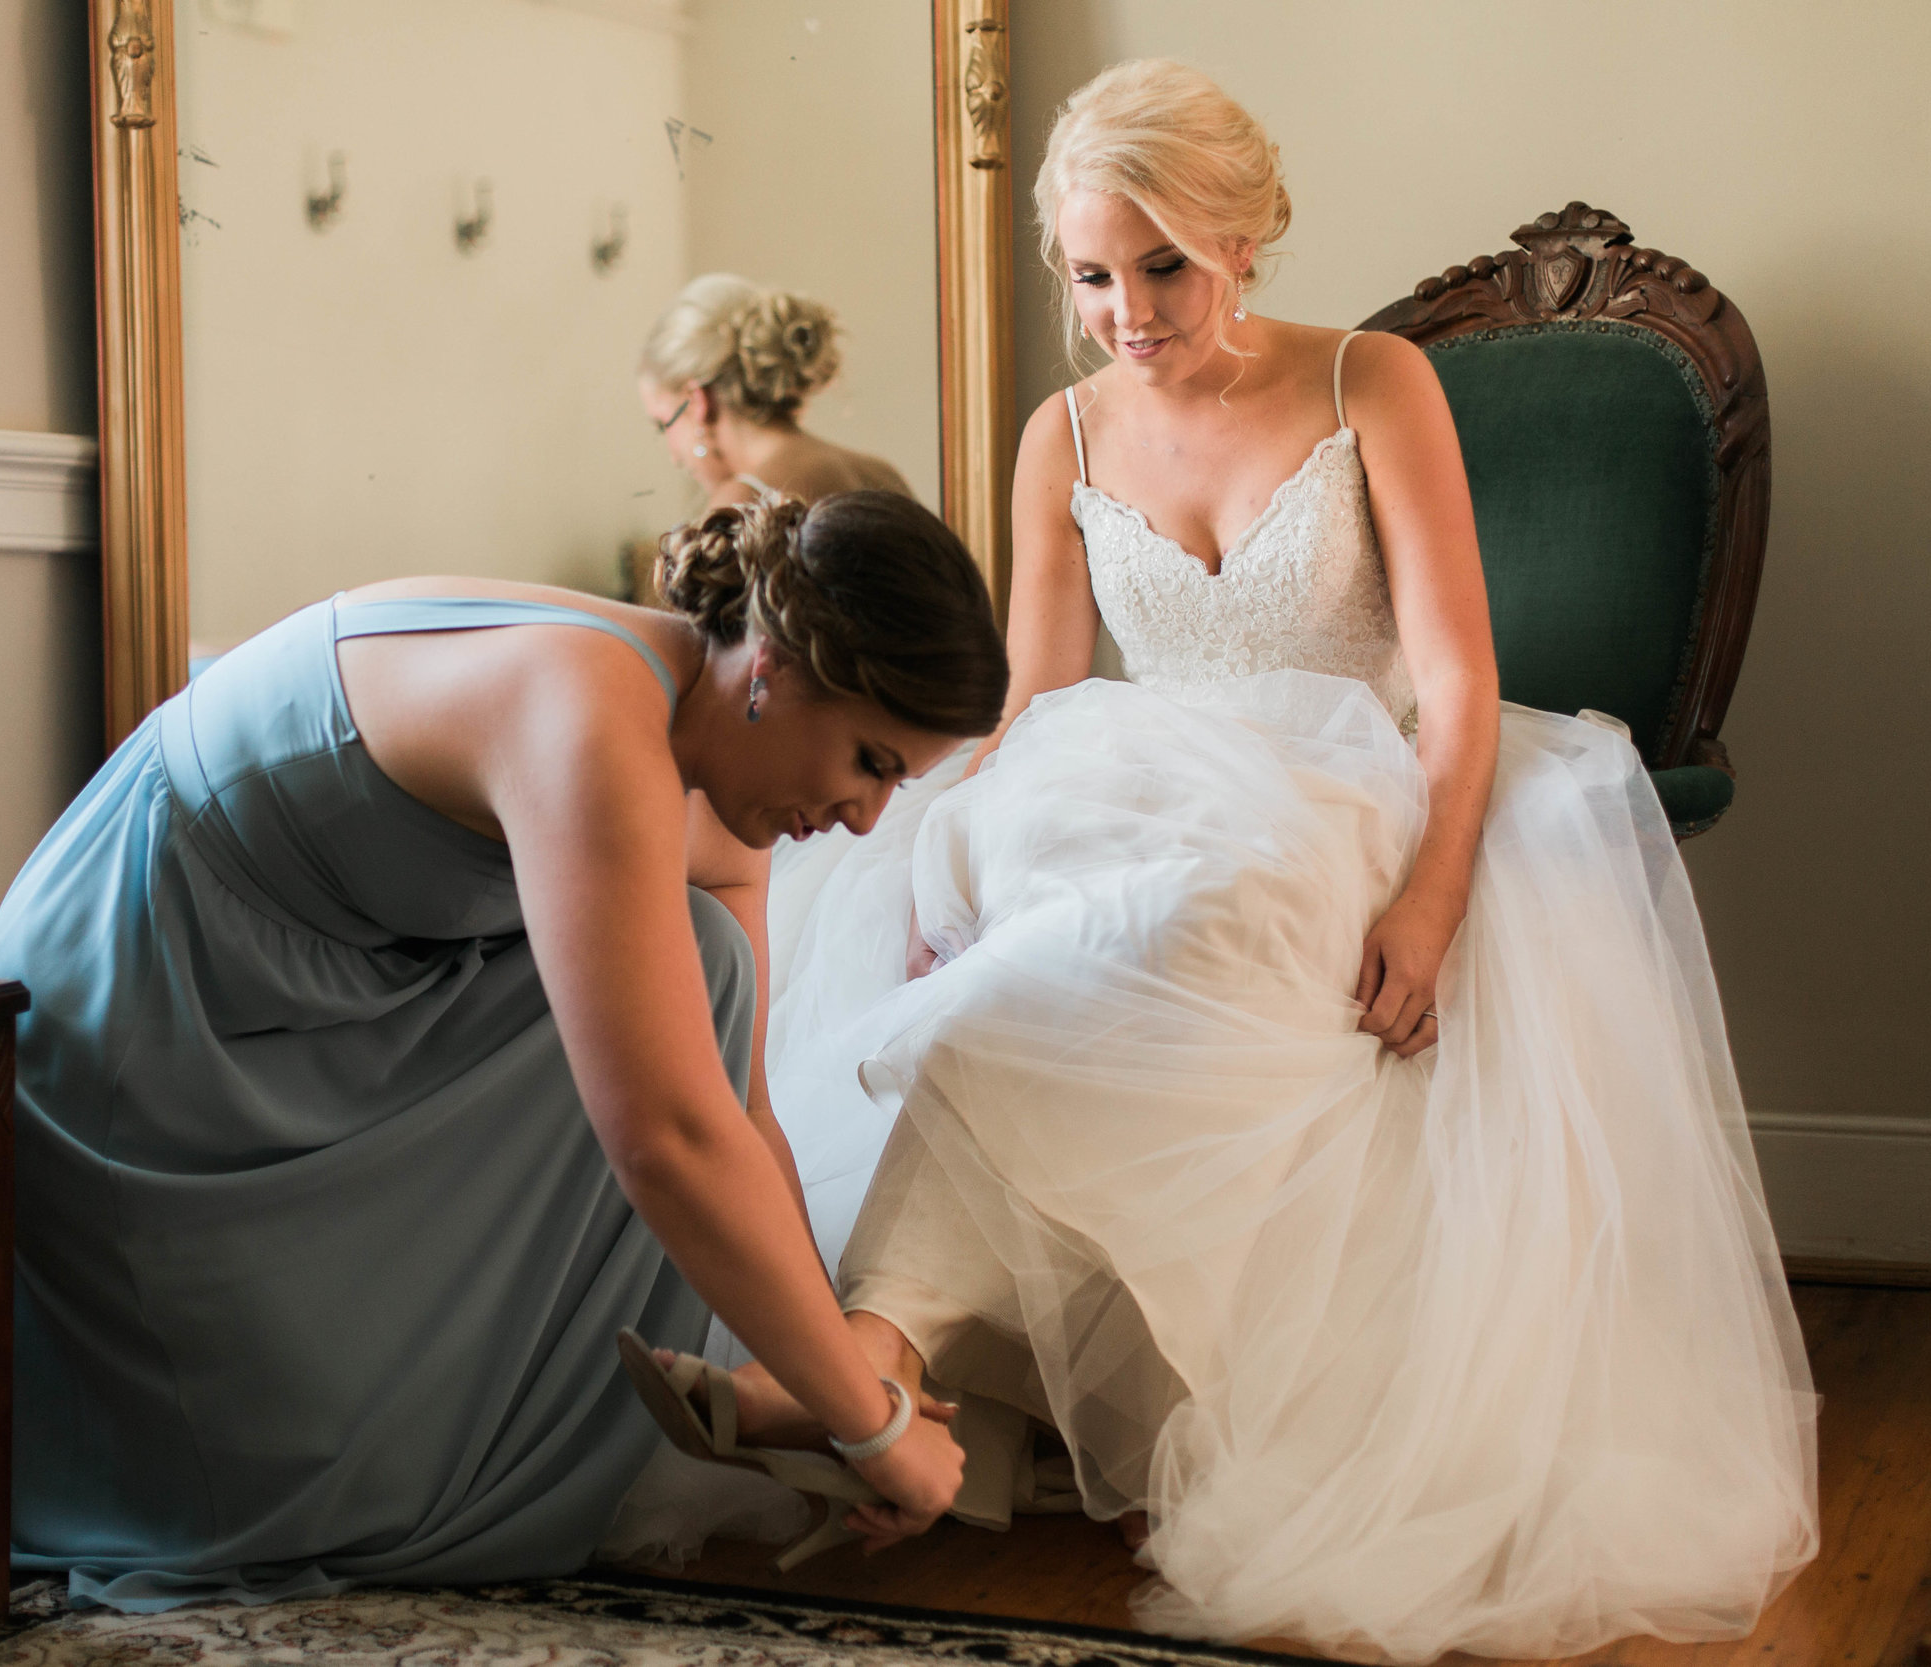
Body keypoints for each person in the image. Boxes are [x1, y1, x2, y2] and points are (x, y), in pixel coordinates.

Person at [725, 60, 1820, 1663]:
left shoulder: (1375, 381)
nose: (1126, 312)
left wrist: (1433, 895)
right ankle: (892, 1347)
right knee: (1042, 939)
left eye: (1160, 265)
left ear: (1244, 237)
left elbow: (1453, 676)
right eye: (1092, 276)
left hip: (1352, 783)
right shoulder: (1064, 429)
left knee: (1207, 915)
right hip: (1126, 778)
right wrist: (937, 876)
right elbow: (1029, 695)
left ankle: (949, 1361)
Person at [0, 490, 1002, 1610]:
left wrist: (811, 1373)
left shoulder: (709, 795)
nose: (864, 820)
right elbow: (667, 1138)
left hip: (320, 1013)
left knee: (709, 963)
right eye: (870, 762)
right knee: (303, 1495)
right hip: (136, 1018)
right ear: (780, 669)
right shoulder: (584, 709)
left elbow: (737, 1112)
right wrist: (874, 1422)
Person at [639, 273, 913, 510]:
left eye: (664, 425)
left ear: (698, 402)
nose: (674, 457)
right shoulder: (883, 475)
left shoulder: (745, 504)